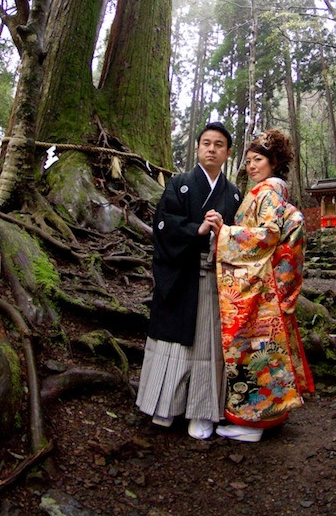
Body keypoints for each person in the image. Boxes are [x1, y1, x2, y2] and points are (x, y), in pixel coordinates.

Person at [206, 129, 314, 443]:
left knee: (253, 350)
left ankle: (252, 423)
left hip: (259, 283)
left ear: (273, 162)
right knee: (264, 351)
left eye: (258, 160)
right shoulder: (270, 191)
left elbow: (267, 235)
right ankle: (270, 417)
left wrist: (225, 233)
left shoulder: (267, 192)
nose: (251, 166)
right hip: (266, 282)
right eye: (249, 160)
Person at [136, 122, 242, 440]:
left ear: (227, 153)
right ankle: (165, 404)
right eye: (206, 143)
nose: (211, 148)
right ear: (197, 148)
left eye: (219, 144)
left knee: (208, 346)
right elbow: (163, 224)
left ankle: (202, 411)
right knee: (174, 343)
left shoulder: (234, 194)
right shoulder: (179, 184)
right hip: (181, 276)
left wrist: (223, 231)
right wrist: (195, 230)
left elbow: (242, 238)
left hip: (213, 280)